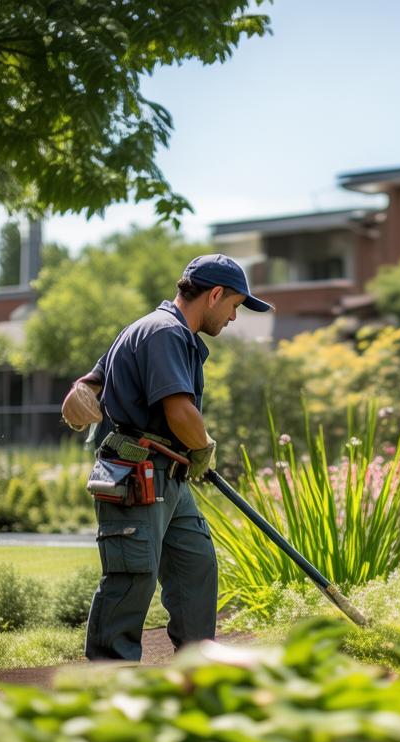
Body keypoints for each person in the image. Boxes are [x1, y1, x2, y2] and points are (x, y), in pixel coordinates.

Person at [60, 253, 272, 659]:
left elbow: (93, 381)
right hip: (137, 472)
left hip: (170, 476)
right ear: (214, 295)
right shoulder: (164, 332)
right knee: (132, 577)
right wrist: (203, 446)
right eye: (234, 306)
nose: (233, 317)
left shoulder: (156, 330)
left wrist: (82, 388)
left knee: (196, 566)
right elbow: (179, 411)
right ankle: (108, 682)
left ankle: (197, 665)